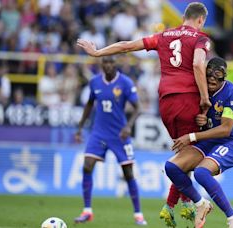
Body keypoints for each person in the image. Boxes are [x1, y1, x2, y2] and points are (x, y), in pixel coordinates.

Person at [77, 2, 212, 227]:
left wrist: (98, 52)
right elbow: (198, 64)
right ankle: (196, 202)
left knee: (183, 152)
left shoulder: (164, 35)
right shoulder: (201, 38)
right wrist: (205, 98)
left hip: (166, 103)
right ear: (200, 20)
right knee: (196, 152)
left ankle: (183, 202)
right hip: (187, 100)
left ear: (184, 17)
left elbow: (127, 45)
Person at [165, 57, 233, 228]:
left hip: (230, 142)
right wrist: (198, 121)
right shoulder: (199, 89)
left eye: (217, 75)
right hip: (207, 140)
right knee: (171, 167)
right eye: (209, 74)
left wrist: (192, 136)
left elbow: (226, 129)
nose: (212, 78)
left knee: (201, 173)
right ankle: (201, 203)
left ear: (224, 76)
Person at [74, 56, 147, 226]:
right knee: (87, 165)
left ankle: (138, 214)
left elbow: (138, 108)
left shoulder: (125, 82)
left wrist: (128, 126)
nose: (107, 65)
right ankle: (87, 211)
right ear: (101, 65)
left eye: (111, 63)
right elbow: (89, 104)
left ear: (115, 64)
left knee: (128, 173)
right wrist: (79, 128)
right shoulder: (94, 82)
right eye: (105, 63)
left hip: (119, 133)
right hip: (99, 132)